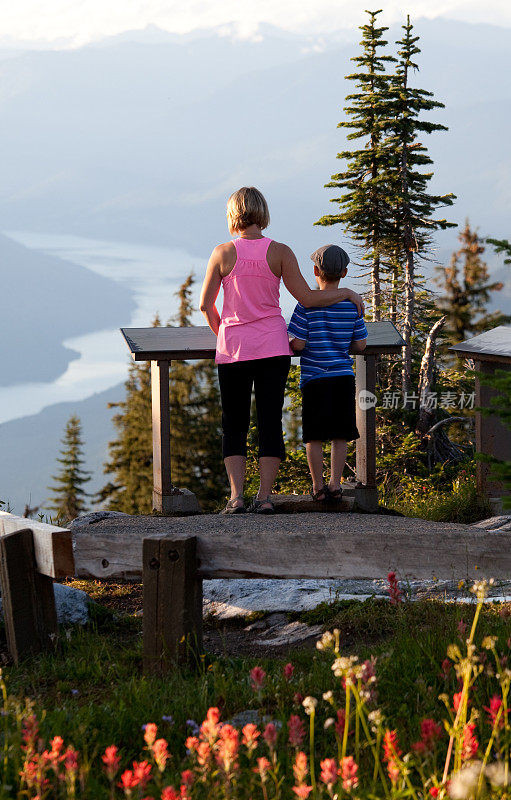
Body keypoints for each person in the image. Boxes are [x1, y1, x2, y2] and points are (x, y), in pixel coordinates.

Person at [199, 188, 365, 514]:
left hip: (233, 349)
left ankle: (235, 497)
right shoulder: (280, 252)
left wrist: (225, 335)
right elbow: (308, 298)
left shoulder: (221, 253)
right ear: (263, 213)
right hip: (273, 349)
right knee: (270, 421)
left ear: (233, 214)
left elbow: (206, 305)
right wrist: (345, 292)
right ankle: (263, 498)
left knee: (234, 423)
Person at [288, 244, 368, 502]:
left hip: (314, 379)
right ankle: (335, 484)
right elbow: (360, 345)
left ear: (315, 271)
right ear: (344, 273)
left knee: (314, 435)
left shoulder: (305, 306)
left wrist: (288, 341)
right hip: (342, 377)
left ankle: (317, 486)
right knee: (339, 433)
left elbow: (298, 344)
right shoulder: (351, 306)